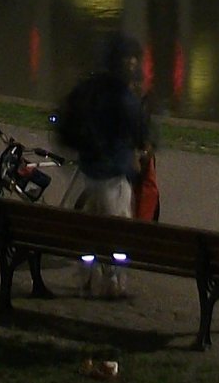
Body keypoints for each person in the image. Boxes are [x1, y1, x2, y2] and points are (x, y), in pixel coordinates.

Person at [55, 33, 152, 295]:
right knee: (118, 234)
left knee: (90, 231)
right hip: (115, 177)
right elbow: (141, 131)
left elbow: (66, 120)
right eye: (131, 61)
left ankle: (87, 277)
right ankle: (113, 281)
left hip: (89, 174)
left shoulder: (89, 89)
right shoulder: (122, 96)